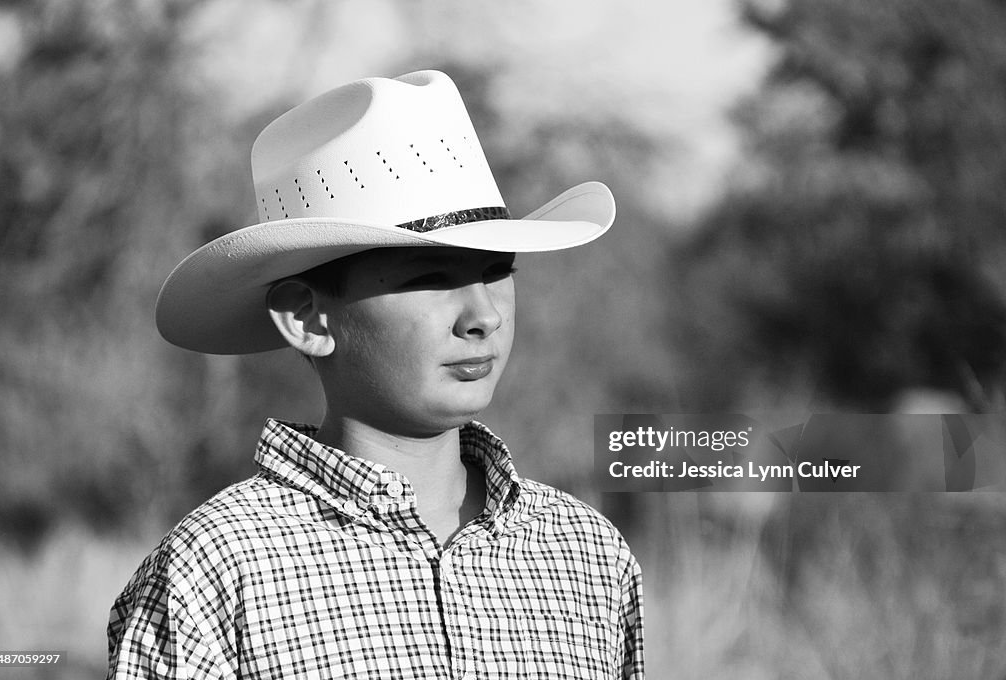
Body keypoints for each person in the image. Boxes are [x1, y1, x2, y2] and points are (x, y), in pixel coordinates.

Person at [106, 69, 644, 679]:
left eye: (498, 271)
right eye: (428, 277)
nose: (483, 315)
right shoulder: (215, 571)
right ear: (307, 318)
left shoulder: (586, 556)